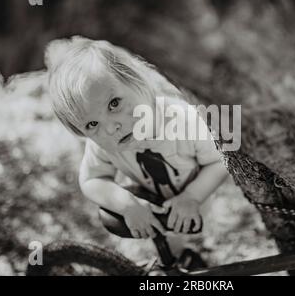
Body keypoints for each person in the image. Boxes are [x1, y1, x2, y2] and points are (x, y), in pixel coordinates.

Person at [44, 35, 229, 262]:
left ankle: (191, 252)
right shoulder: (102, 145)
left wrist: (191, 197)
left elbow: (219, 161)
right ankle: (181, 258)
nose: (112, 128)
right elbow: (92, 179)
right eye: (92, 124)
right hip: (153, 204)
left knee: (190, 238)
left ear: (137, 80)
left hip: (198, 198)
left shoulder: (183, 121)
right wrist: (126, 205)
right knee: (172, 250)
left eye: (114, 103)